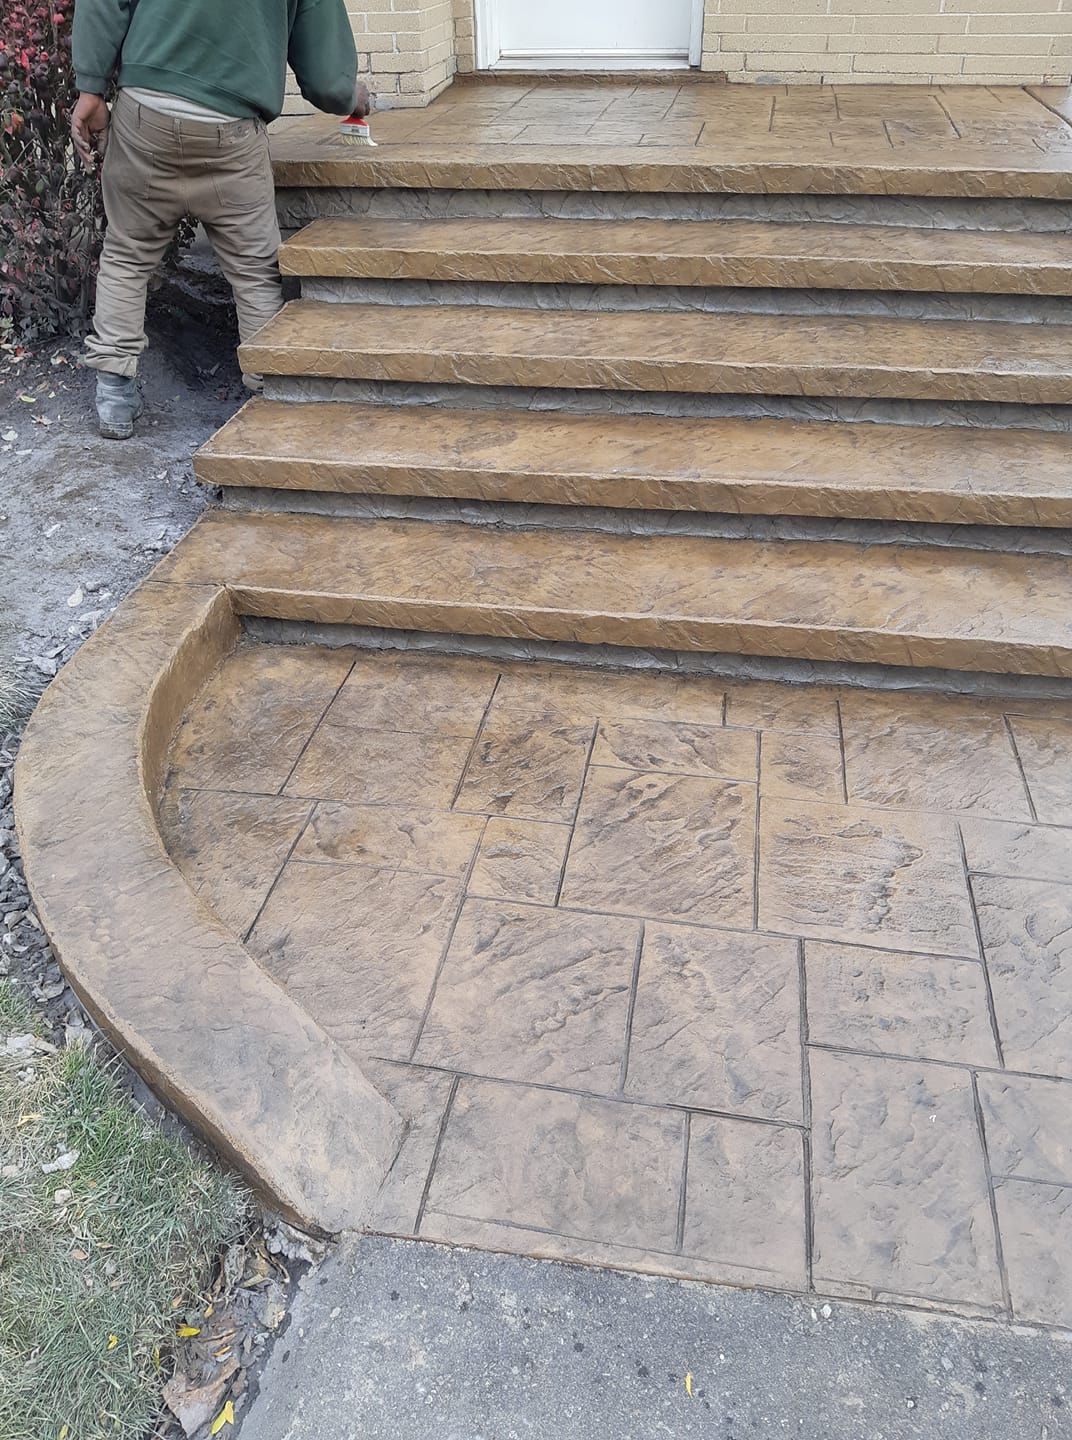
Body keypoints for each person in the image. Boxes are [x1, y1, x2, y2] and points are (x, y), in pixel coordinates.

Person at [70, 0, 369, 439]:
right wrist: (353, 97)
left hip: (144, 114)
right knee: (255, 270)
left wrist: (91, 90)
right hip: (231, 126)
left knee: (128, 255)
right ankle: (269, 389)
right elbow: (326, 76)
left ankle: (114, 398)